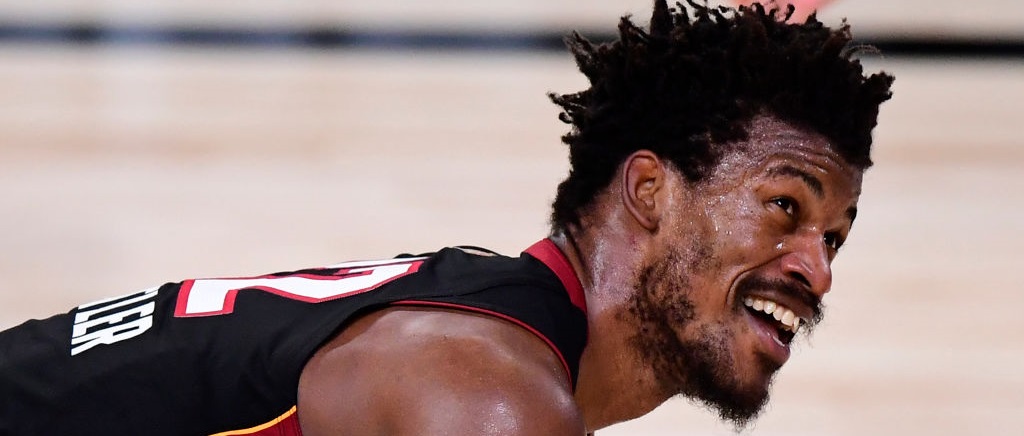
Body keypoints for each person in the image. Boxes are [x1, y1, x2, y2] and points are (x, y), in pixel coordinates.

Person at [0, 1, 893, 434]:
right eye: (785, 208)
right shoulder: (489, 396)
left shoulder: (486, 328)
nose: (816, 269)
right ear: (651, 191)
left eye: (834, 237)